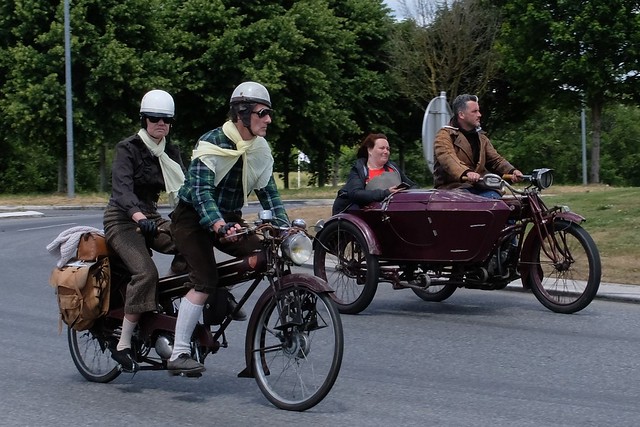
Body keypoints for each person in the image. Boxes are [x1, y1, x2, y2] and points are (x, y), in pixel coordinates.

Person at [167, 81, 289, 375]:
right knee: (205, 278)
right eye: (263, 113)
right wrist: (218, 225)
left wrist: (285, 228)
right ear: (242, 114)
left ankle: (226, 300)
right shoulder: (211, 143)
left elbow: (268, 192)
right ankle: (179, 352)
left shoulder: (259, 149)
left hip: (229, 218)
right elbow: (201, 193)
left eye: (269, 113)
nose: (269, 119)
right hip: (192, 218)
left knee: (269, 253)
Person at [103, 89, 186, 372]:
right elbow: (122, 190)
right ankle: (123, 344)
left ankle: (166, 292)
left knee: (191, 243)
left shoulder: (171, 153)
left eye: (166, 120)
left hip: (150, 217)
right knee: (145, 272)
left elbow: (183, 193)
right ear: (144, 119)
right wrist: (138, 216)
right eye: (154, 118)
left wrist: (188, 221)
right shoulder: (128, 148)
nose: (160, 124)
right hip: (122, 220)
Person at [432, 94, 523, 198]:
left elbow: (496, 160)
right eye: (474, 111)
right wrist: (466, 172)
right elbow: (448, 159)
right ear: (461, 115)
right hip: (452, 189)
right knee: (474, 204)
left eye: (478, 111)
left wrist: (512, 171)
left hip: (479, 187)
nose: (479, 115)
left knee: (500, 203)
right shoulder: (444, 135)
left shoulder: (481, 137)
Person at [332, 133, 416, 215]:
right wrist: (386, 193)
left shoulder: (393, 168)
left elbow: (411, 185)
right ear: (370, 150)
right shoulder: (359, 169)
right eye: (382, 148)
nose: (386, 151)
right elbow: (356, 194)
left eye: (388, 149)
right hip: (357, 215)